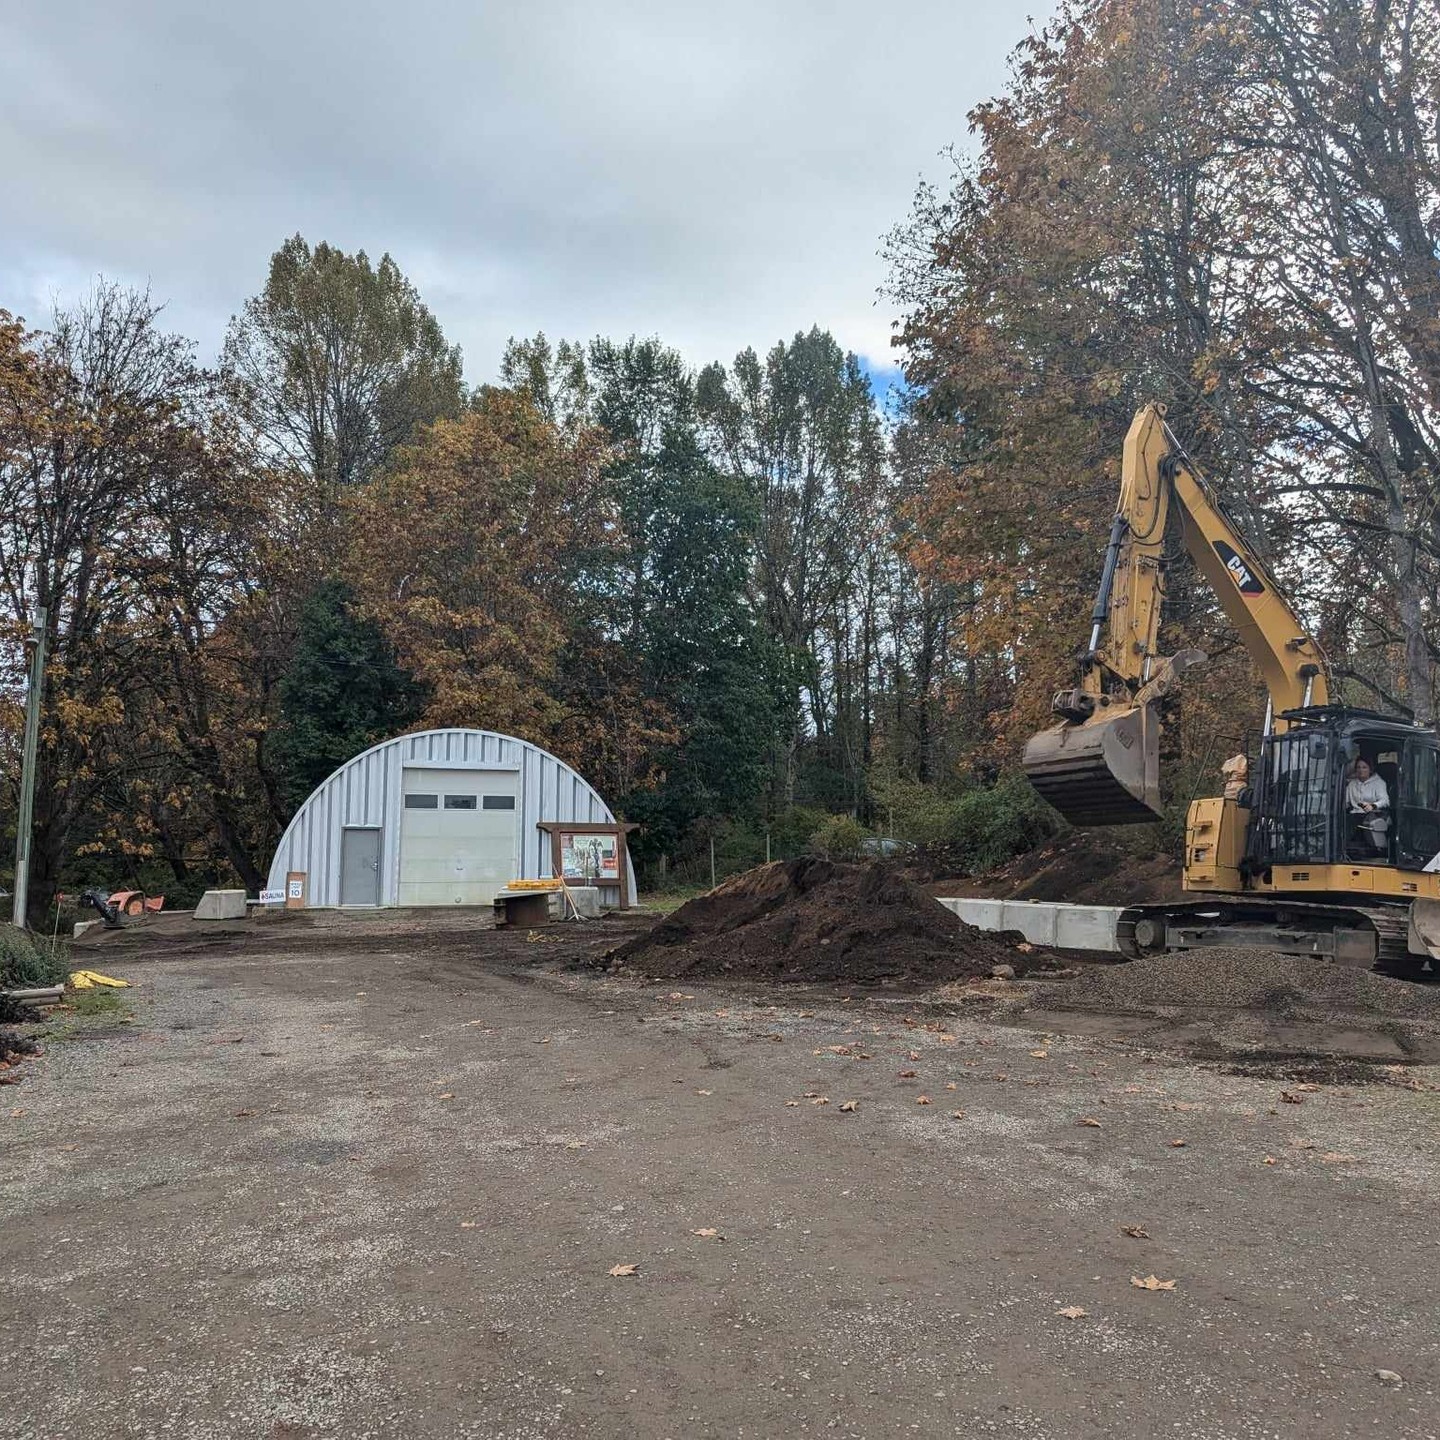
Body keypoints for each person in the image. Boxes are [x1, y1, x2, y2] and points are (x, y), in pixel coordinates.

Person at [1345, 758, 1390, 855]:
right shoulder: (1352, 784)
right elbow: (1346, 802)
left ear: (1370, 769)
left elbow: (1385, 801)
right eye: (1358, 767)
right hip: (1354, 815)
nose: (1361, 770)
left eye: (1364, 767)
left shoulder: (1379, 783)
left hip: (1372, 815)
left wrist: (1373, 805)